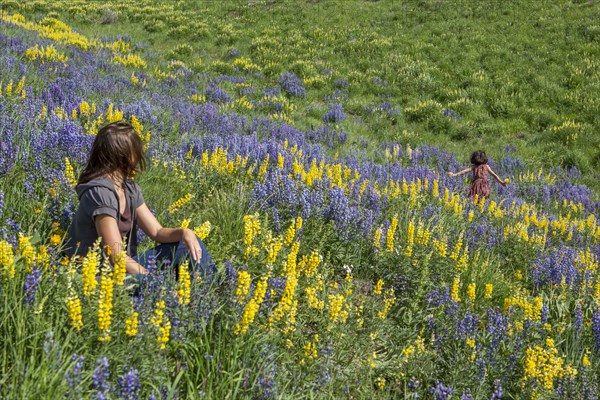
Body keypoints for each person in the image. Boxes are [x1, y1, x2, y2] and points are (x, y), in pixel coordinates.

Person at [64, 121, 215, 282]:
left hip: (124, 269)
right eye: (137, 148)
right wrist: (152, 280)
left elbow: (157, 232)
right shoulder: (99, 193)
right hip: (97, 278)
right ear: (126, 155)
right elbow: (115, 256)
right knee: (155, 289)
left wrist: (184, 232)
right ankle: (182, 298)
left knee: (189, 244)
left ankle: (213, 290)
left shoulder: (128, 188)